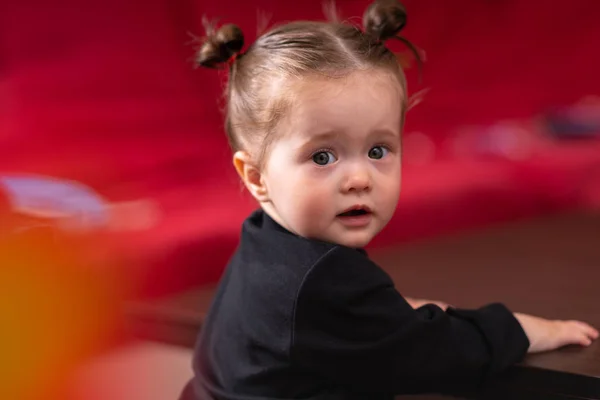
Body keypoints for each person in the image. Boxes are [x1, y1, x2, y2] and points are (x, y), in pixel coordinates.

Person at [181, 1, 598, 398]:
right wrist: (520, 330)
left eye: (378, 150)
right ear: (256, 177)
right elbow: (433, 355)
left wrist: (387, 314)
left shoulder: (266, 243)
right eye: (322, 156)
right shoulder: (322, 281)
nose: (360, 178)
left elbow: (344, 324)